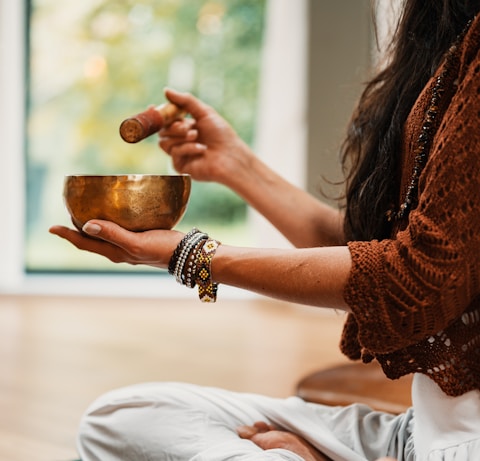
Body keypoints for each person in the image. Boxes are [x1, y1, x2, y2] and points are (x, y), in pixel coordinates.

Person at [49, 0, 480, 459]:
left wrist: (189, 255)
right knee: (120, 418)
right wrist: (238, 167)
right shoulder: (448, 36)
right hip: (414, 436)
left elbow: (415, 278)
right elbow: (370, 252)